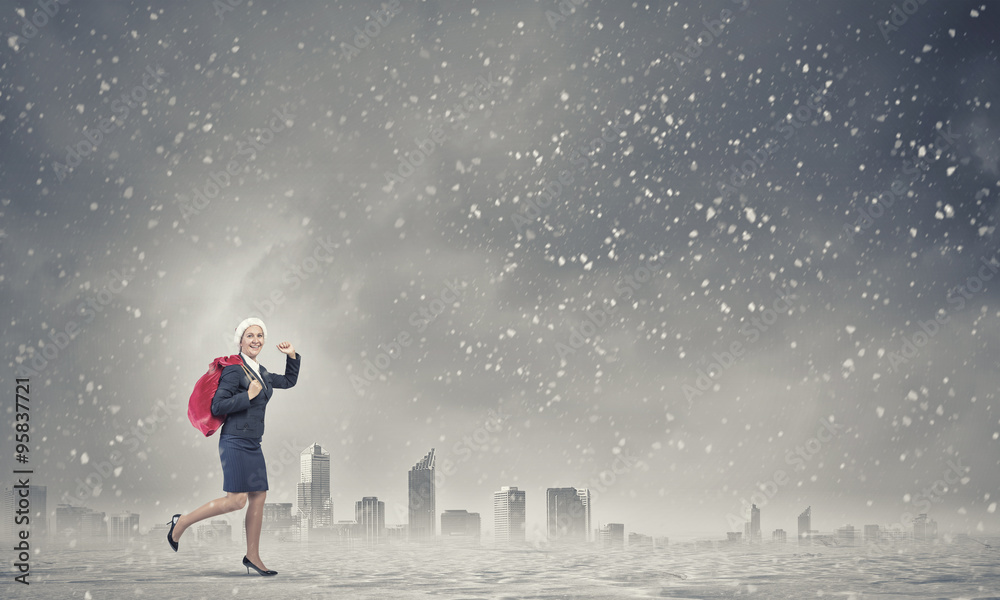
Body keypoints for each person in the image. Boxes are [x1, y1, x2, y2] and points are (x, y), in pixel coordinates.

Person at [166, 317, 300, 576]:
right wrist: (246, 396)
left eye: (260, 336)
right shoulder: (234, 370)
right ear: (240, 341)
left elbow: (289, 381)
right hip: (235, 442)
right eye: (250, 336)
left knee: (259, 495)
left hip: (253, 443)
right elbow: (218, 406)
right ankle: (181, 522)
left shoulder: (262, 373)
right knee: (237, 501)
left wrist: (292, 355)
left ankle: (252, 555)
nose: (256, 340)